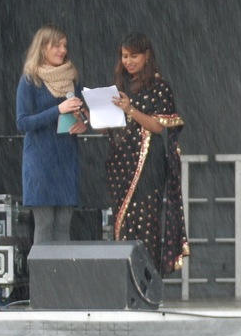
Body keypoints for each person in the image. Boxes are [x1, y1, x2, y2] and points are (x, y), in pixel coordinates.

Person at [105, 32, 188, 275]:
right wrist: (91, 115)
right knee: (122, 225)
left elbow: (157, 126)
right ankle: (126, 282)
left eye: (134, 56)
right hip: (120, 165)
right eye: (124, 56)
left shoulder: (159, 87)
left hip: (147, 166)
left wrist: (130, 109)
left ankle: (146, 282)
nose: (128, 61)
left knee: (145, 224)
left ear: (146, 56)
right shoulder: (120, 86)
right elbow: (109, 125)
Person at [16, 24, 88, 244]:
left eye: (65, 45)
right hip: (40, 162)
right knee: (45, 224)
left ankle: (62, 268)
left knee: (63, 226)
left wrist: (83, 122)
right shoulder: (30, 80)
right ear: (42, 48)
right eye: (57, 45)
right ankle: (42, 268)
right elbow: (22, 122)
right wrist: (57, 110)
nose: (63, 50)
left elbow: (81, 113)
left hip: (66, 159)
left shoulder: (72, 79)